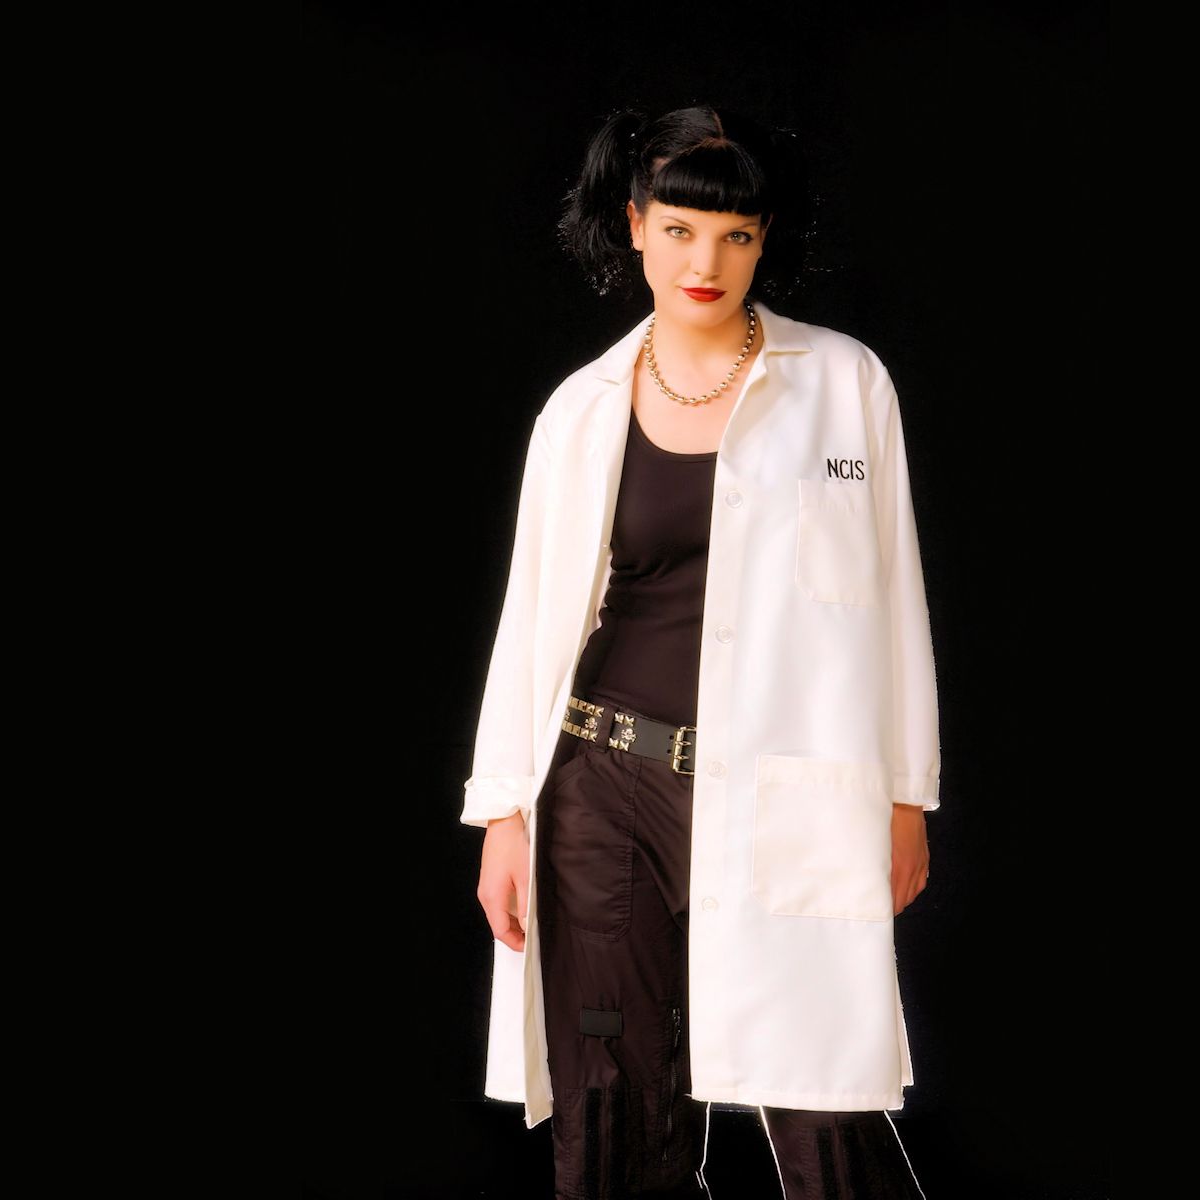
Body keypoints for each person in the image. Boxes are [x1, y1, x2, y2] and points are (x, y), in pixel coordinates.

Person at [462, 103, 939, 1200]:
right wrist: (503, 814)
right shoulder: (580, 410)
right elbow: (529, 621)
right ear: (635, 225)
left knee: (824, 1100)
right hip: (603, 790)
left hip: (785, 791)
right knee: (612, 1112)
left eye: (734, 236)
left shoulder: (843, 384)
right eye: (678, 230)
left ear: (764, 241)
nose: (704, 264)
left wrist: (907, 795)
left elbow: (894, 602)